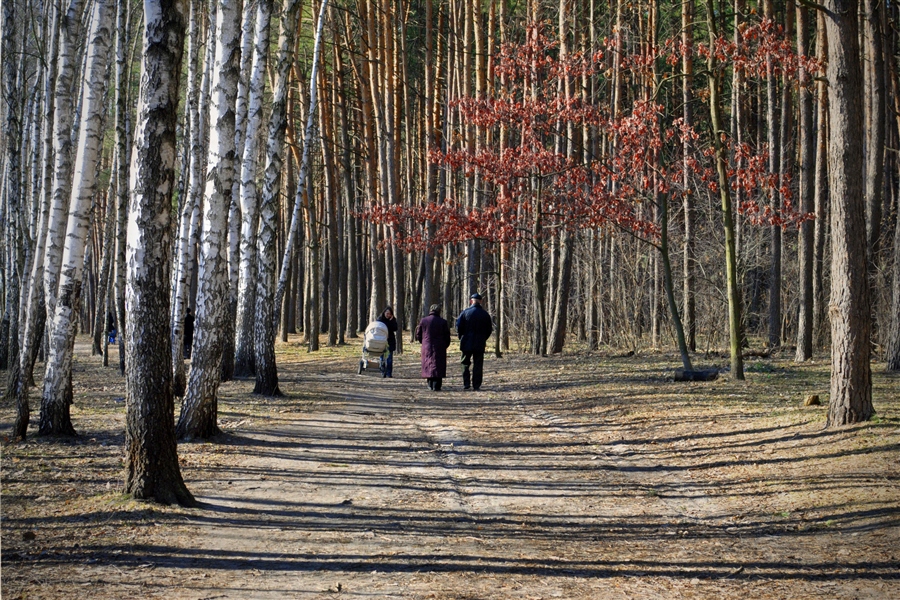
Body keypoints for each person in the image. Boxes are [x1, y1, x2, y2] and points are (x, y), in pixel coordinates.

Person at [455, 292, 493, 390]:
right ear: (480, 301)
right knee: (478, 364)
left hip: (466, 342)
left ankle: (466, 383)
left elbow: (458, 327)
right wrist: (483, 338)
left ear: (471, 301)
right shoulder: (485, 315)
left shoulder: (464, 313)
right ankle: (476, 385)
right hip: (479, 344)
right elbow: (489, 330)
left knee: (465, 363)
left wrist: (461, 337)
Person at [416, 304, 451, 391]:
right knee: (438, 364)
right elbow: (447, 336)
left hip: (427, 345)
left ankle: (430, 384)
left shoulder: (424, 321)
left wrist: (423, 342)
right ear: (439, 311)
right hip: (439, 346)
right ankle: (437, 385)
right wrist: (445, 345)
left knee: (428, 363)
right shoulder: (443, 322)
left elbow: (418, 334)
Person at [377, 306, 398, 378]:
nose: (387, 315)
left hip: (390, 341)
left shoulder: (393, 320)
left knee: (389, 358)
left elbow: (395, 328)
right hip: (381, 340)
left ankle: (389, 373)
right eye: (387, 313)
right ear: (384, 312)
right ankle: (383, 371)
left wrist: (391, 321)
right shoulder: (380, 319)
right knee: (382, 357)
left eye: (389, 314)